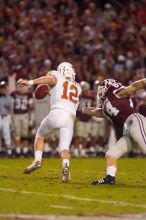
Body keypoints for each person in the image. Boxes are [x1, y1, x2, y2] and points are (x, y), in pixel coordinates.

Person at [17, 62, 82, 182]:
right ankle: (65, 165)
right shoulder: (78, 87)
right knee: (64, 148)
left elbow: (49, 79)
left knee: (40, 136)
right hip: (70, 118)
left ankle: (37, 161)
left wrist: (30, 82)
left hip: (57, 112)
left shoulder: (57, 75)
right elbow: (65, 95)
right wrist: (51, 92)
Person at [82, 78, 146, 184]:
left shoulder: (117, 93)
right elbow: (97, 112)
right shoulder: (106, 105)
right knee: (111, 154)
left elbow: (136, 85)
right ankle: (110, 178)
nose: (100, 91)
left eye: (102, 87)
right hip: (128, 131)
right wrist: (80, 108)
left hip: (135, 122)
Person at [11, 85, 34, 157]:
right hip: (16, 115)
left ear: (26, 87)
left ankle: (25, 150)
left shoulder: (29, 94)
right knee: (17, 134)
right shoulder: (13, 94)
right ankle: (18, 150)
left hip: (25, 115)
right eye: (20, 86)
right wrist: (11, 116)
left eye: (23, 86)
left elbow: (31, 107)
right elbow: (11, 106)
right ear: (17, 86)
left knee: (25, 134)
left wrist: (31, 118)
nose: (22, 88)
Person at [0, 81, 13, 156]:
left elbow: (10, 108)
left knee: (6, 134)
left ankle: (9, 151)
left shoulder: (8, 97)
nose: (3, 89)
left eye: (4, 88)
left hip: (5, 117)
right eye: (1, 88)